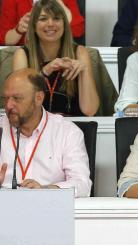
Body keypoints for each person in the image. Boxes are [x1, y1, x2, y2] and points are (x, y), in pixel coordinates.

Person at [0, 68, 92, 197]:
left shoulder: (67, 132)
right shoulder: (1, 128)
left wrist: (45, 190)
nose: (9, 105)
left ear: (38, 98)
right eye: (6, 98)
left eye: (17, 98)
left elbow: (82, 184)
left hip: (51, 208)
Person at [11, 0, 99, 117]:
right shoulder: (22, 54)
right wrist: (45, 71)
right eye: (43, 19)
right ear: (34, 26)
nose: (51, 24)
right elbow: (19, 104)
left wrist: (84, 71)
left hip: (72, 128)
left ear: (64, 25)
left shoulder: (80, 52)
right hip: (35, 129)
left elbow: (90, 110)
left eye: (56, 18)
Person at [0, 0, 84, 46]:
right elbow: (5, 39)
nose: (50, 24)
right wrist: (19, 29)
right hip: (26, 50)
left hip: (59, 51)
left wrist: (62, 8)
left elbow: (78, 31)